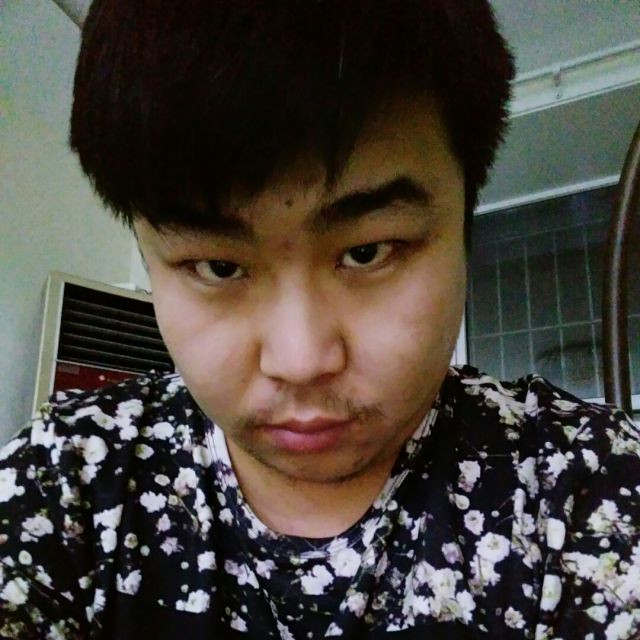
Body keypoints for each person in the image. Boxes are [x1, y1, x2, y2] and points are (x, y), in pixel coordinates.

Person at [1, 1, 639, 638]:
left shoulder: (591, 492)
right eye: (218, 267)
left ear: (463, 225)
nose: (300, 361)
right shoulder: (67, 485)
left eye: (367, 252)